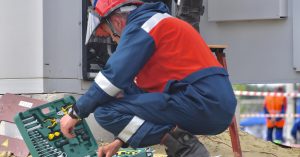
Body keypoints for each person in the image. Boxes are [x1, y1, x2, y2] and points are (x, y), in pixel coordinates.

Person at [60, 0, 237, 156]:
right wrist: (119, 142)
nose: (114, 41)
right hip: (206, 101)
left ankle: (186, 149)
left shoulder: (144, 26)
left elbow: (112, 78)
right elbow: (142, 105)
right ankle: (182, 146)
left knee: (104, 111)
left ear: (117, 21)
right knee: (124, 91)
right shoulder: (156, 22)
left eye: (111, 35)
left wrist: (75, 113)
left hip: (203, 102)